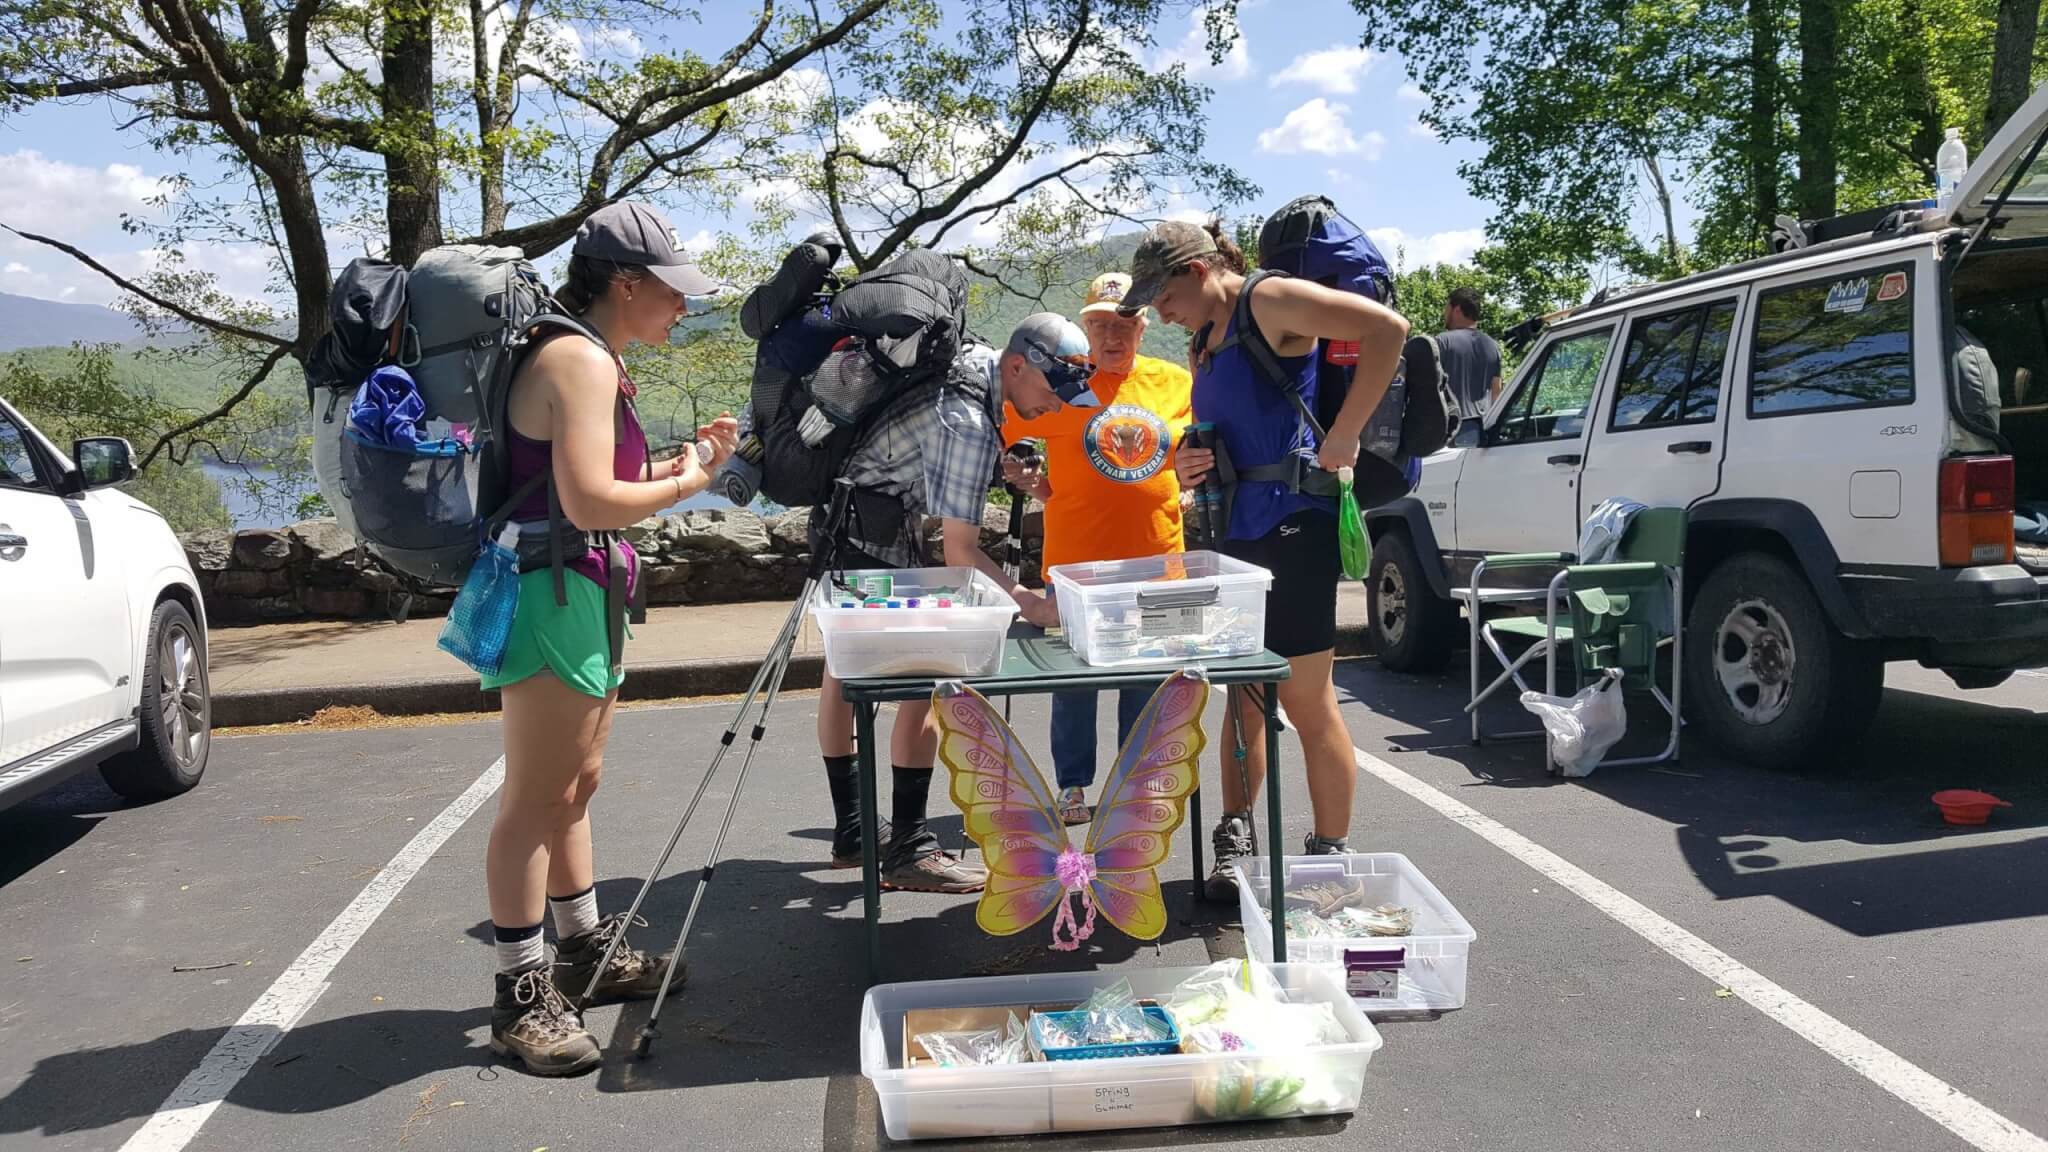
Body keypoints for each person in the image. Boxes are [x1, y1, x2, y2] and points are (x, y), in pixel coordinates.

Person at [481, 201, 740, 1077]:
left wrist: (675, 464)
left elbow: (594, 480)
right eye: (673, 295)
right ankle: (521, 994)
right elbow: (592, 501)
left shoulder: (588, 355)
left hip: (579, 584)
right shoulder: (578, 359)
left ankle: (583, 950)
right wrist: (694, 482)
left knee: (575, 784)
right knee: (535, 799)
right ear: (627, 285)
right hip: (553, 591)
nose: (682, 309)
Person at [1117, 219, 1408, 899]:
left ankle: (1329, 853)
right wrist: (1191, 458)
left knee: (1306, 701)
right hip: (1234, 537)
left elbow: (1386, 331)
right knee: (1242, 697)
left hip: (1296, 530)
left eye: (1164, 295)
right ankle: (1236, 839)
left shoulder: (1269, 299)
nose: (1160, 312)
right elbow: (1224, 431)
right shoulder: (1202, 342)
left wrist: (1344, 433)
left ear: (1196, 270)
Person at [815, 312, 1094, 892]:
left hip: (843, 527)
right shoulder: (968, 416)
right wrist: (1029, 604)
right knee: (928, 681)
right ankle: (908, 850)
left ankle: (854, 832)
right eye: (1052, 391)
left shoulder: (969, 367)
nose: (1057, 407)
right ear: (1018, 365)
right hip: (878, 538)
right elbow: (960, 552)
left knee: (841, 675)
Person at [1000, 273, 1193, 826]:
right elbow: (1003, 422)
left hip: (1159, 564)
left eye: (1125, 323)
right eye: (1101, 324)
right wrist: (1018, 470)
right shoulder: (1061, 382)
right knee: (1076, 683)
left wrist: (1194, 479)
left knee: (1148, 682)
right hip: (1076, 567)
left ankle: (1134, 786)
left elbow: (1199, 447)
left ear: (1143, 326)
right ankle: (1073, 787)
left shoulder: (1176, 381)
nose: (1113, 335)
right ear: (1084, 328)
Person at [1437, 286, 1502, 421]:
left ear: (1457, 309)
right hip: (1481, 429)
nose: (1444, 313)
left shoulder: (1442, 342)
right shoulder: (1493, 346)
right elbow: (1496, 392)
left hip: (1450, 430)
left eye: (1446, 308)